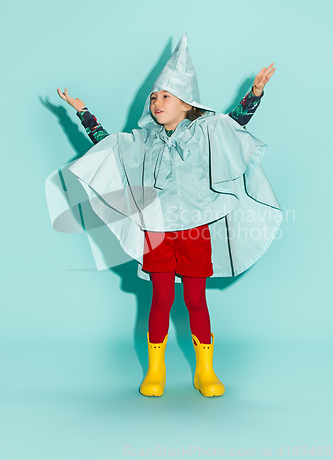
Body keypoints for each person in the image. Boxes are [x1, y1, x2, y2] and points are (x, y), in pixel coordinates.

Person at [56, 33, 282, 398]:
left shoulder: (207, 130)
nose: (157, 102)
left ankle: (204, 371)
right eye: (154, 97)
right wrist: (84, 113)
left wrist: (254, 95)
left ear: (187, 104)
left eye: (166, 96)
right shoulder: (145, 140)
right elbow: (109, 146)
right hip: (157, 231)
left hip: (195, 231)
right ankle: (156, 370)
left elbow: (235, 124)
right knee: (160, 297)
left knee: (196, 298)